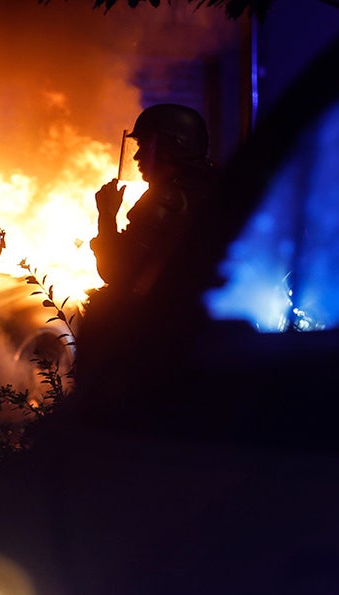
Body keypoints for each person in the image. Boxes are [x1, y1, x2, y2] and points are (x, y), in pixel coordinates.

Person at [79, 104, 218, 393]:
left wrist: (107, 215)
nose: (139, 156)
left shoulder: (165, 199)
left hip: (154, 336)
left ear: (171, 147)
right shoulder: (213, 188)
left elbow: (116, 272)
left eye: (145, 145)